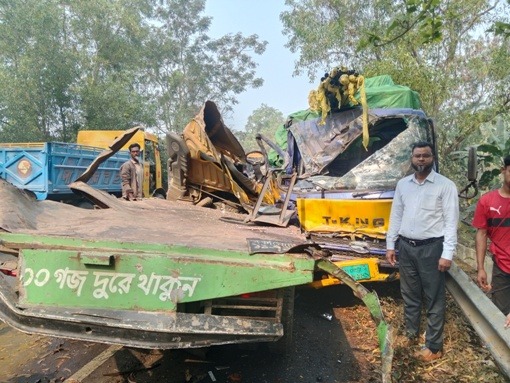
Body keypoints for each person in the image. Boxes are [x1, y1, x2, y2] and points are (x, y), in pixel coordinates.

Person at [386, 141, 459, 362]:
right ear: (411, 158)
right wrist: (391, 244)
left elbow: (450, 222)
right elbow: (396, 215)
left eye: (425, 156)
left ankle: (434, 347)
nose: (421, 159)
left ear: (432, 158)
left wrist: (447, 254)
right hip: (406, 247)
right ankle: (411, 334)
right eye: (417, 156)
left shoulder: (445, 186)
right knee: (410, 294)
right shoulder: (403, 185)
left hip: (432, 249)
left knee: (434, 298)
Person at [472, 155, 510, 329]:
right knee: (501, 317)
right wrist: (480, 267)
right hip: (501, 268)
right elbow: (481, 234)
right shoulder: (487, 201)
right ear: (504, 171)